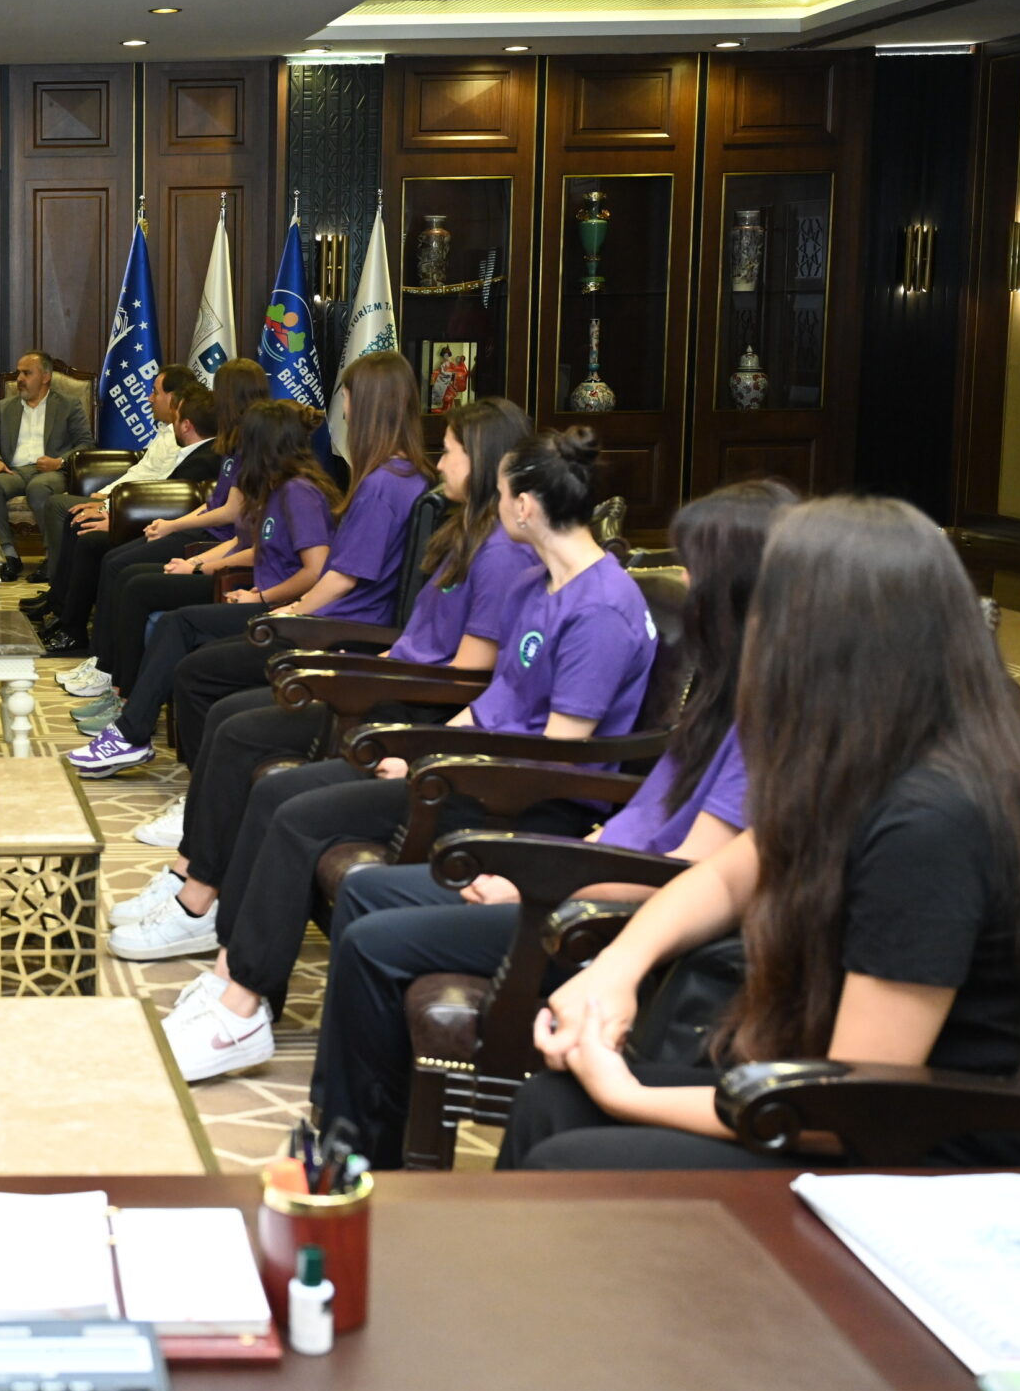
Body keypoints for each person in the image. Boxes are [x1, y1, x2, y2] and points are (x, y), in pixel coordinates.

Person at [506, 497, 1020, 1169]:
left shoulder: (931, 822)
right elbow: (727, 877)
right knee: (550, 1104)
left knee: (570, 1151)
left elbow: (859, 1107)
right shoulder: (876, 755)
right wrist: (616, 969)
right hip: (877, 1104)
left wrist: (627, 1093)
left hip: (960, 1150)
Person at [134, 426, 659, 1084]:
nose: (496, 505)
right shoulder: (538, 583)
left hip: (523, 799)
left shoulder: (602, 607)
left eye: (502, 494)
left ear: (526, 506)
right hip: (472, 769)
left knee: (299, 817)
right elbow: (492, 705)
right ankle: (232, 982)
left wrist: (438, 764)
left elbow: (555, 757)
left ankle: (239, 1006)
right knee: (282, 799)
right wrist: (422, 751)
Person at [311, 479, 794, 1166]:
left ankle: (354, 1156)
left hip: (601, 914)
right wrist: (555, 854)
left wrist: (540, 880)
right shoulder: (725, 689)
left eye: (696, 569)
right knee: (366, 893)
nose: (686, 584)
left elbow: (684, 869)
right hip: (586, 871)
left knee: (372, 944)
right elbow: (643, 820)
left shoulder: (770, 716)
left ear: (740, 583)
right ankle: (353, 1134)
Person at [119, 397, 539, 865]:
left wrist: (355, 672)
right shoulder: (462, 536)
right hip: (384, 677)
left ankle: (194, 870)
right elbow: (419, 642)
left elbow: (466, 675)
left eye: (449, 451)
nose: (438, 464)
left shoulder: (500, 553)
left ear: (481, 458)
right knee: (224, 711)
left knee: (233, 724)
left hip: (401, 699)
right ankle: (195, 859)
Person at [74, 350, 434, 773]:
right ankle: (148, 745)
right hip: (326, 618)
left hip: (330, 629)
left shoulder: (377, 486)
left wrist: (287, 609)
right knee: (183, 640)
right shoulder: (401, 476)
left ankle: (163, 759)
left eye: (349, 397)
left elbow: (337, 576)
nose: (345, 411)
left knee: (192, 666)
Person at [67, 397, 342, 775]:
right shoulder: (278, 488)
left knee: (177, 625)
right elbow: (259, 549)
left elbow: (316, 570)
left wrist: (261, 596)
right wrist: (203, 567)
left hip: (282, 611)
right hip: (258, 597)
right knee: (175, 625)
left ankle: (132, 735)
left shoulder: (299, 492)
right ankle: (132, 734)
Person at [72, 362, 273, 718]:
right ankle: (108, 672)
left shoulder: (252, 446)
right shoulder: (233, 441)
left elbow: (231, 514)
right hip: (213, 539)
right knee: (119, 566)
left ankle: (122, 689)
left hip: (216, 542)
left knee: (130, 579)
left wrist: (184, 542)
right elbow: (215, 502)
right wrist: (172, 524)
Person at [34, 378, 224, 659]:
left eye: (178, 417)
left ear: (186, 425)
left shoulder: (203, 461)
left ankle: (76, 632)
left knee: (93, 543)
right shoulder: (197, 453)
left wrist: (117, 521)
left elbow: (171, 505)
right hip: (153, 521)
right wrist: (112, 514)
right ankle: (64, 617)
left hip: (172, 532)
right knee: (84, 529)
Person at [0, 351, 93, 580]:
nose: (19, 379)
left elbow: (86, 444)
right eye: (18, 373)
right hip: (15, 471)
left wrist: (59, 461)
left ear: (46, 377)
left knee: (38, 488)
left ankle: (53, 557)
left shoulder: (68, 405)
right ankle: (9, 555)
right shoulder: (5, 406)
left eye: (27, 373)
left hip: (52, 471)